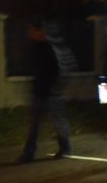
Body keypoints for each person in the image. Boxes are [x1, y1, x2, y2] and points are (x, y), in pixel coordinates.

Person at [18, 20, 73, 162]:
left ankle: (65, 148)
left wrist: (55, 88)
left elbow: (59, 70)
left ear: (39, 31)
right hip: (39, 92)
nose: (29, 33)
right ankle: (29, 153)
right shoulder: (35, 47)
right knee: (34, 124)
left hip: (51, 93)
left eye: (32, 30)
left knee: (57, 122)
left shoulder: (51, 47)